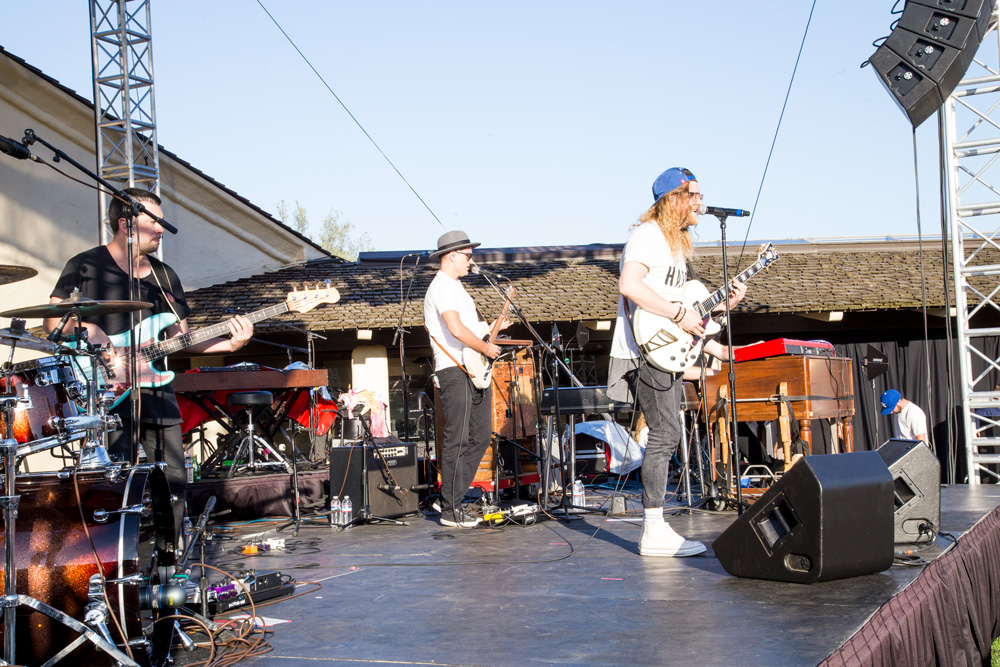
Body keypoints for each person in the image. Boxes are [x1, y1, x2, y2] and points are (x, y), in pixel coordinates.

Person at [44, 187, 253, 548]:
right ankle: (112, 558)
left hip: (155, 389)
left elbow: (183, 339)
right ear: (126, 224)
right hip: (105, 392)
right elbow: (51, 323)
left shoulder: (164, 276)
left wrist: (230, 343)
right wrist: (88, 330)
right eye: (153, 221)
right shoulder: (86, 264)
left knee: (173, 480)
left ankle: (169, 557)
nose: (161, 230)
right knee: (111, 481)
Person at [608, 167, 746, 557]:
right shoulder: (647, 236)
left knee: (667, 433)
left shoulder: (675, 246)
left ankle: (656, 528)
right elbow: (629, 286)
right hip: (642, 350)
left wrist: (724, 305)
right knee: (666, 434)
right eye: (695, 196)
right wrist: (676, 313)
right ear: (673, 199)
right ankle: (653, 531)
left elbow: (692, 311)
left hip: (663, 350)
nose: (700, 204)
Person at [423, 230, 509, 527]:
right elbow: (456, 330)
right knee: (457, 439)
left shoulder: (459, 290)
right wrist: (486, 346)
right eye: (468, 256)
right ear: (452, 255)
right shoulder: (442, 287)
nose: (472, 261)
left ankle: (450, 497)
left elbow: (473, 331)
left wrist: (496, 327)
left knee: (482, 435)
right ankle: (450, 509)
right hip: (453, 369)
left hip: (473, 369)